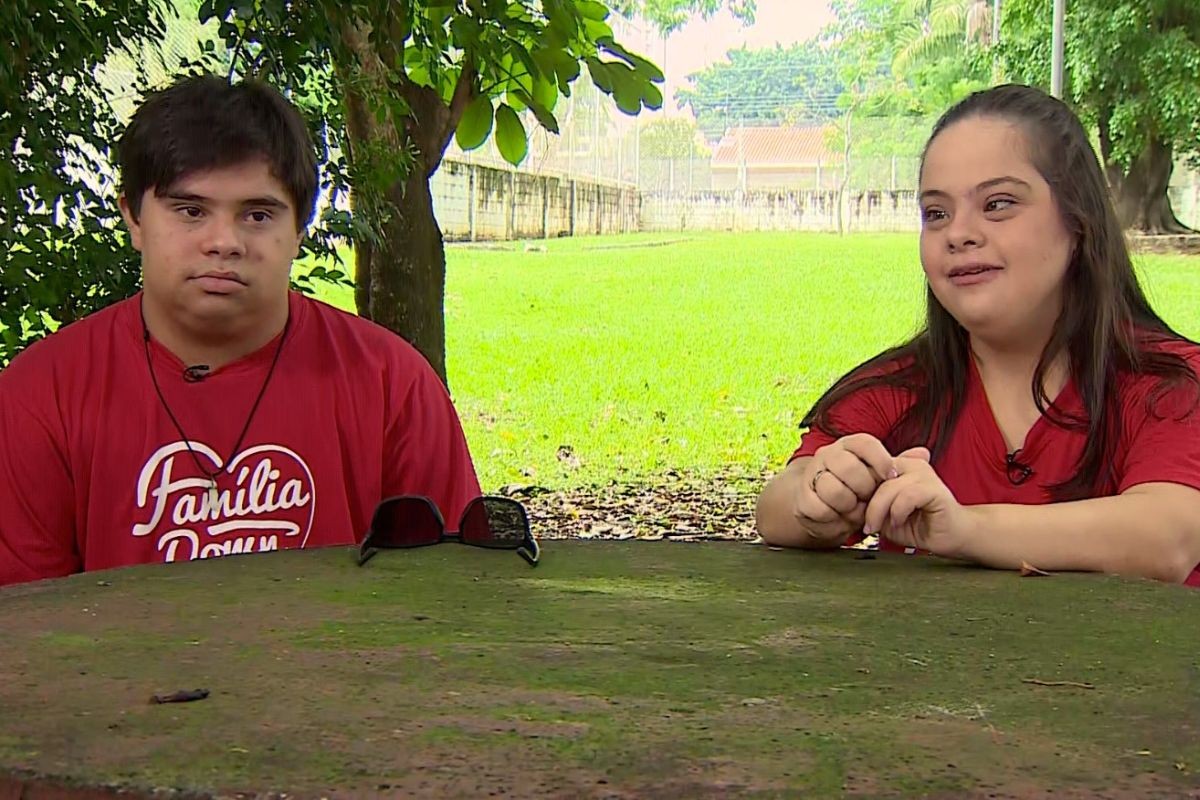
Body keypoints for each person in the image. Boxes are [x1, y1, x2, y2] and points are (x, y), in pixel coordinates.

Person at [0, 75, 481, 586]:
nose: (223, 242)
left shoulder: (392, 384)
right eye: (190, 210)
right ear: (134, 218)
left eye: (257, 214)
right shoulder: (38, 396)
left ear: (299, 229)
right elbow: (24, 630)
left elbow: (450, 598)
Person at [756, 84, 1200, 586]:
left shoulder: (1170, 381)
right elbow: (774, 505)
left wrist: (965, 530)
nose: (958, 233)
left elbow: (1168, 539)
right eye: (936, 213)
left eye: (998, 204)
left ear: (1078, 221)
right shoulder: (900, 387)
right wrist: (817, 497)